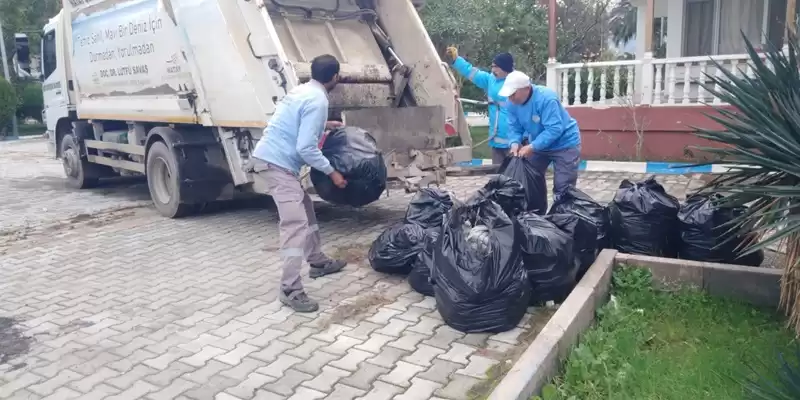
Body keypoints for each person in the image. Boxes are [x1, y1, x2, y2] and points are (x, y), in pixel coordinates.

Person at [249, 54, 348, 313]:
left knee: (306, 210)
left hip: (273, 159)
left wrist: (325, 125)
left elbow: (296, 120)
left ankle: (317, 261)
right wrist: (332, 173)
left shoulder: (303, 91)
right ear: (335, 77)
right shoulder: (318, 100)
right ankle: (290, 288)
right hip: (277, 164)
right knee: (295, 225)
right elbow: (306, 148)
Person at [498, 70, 581, 200]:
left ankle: (563, 216)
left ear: (526, 88)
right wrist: (514, 142)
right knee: (529, 178)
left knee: (563, 187)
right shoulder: (511, 104)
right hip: (538, 144)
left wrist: (532, 147)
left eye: (513, 94)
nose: (510, 98)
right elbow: (514, 126)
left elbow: (554, 129)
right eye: (509, 95)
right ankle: (534, 214)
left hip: (564, 144)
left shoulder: (546, 99)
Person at [444, 46, 515, 165]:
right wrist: (457, 60)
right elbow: (471, 72)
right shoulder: (491, 80)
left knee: (516, 175)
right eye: (492, 66)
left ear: (506, 69)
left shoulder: (516, 83)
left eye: (496, 67)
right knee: (498, 176)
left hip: (514, 142)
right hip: (496, 141)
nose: (493, 70)